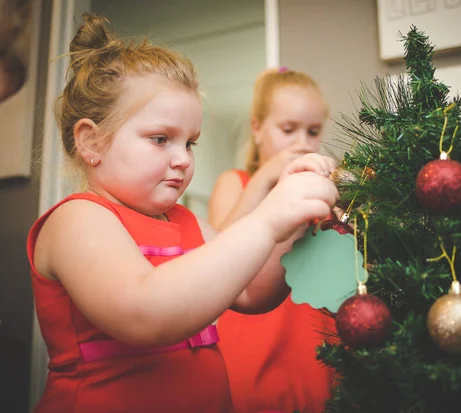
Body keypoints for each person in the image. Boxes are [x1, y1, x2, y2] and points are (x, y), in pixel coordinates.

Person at [26, 14, 337, 413]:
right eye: (161, 139)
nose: (182, 159)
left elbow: (251, 291)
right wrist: (267, 219)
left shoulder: (184, 222)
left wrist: (293, 216)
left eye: (189, 143)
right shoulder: (77, 220)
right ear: (91, 141)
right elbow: (145, 314)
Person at [208, 67, 337, 413]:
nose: (303, 143)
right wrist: (265, 177)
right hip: (253, 340)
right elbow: (214, 256)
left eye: (313, 131)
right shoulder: (235, 182)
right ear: (257, 128)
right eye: (288, 129)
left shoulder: (321, 194)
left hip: (313, 344)